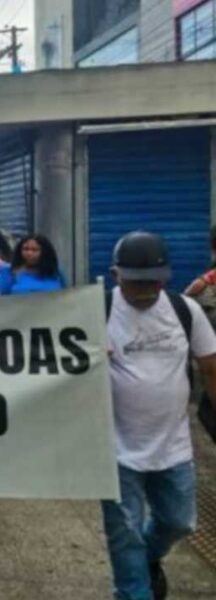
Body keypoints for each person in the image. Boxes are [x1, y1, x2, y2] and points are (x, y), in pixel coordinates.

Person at [102, 231, 216, 600]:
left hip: (173, 445)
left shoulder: (185, 310)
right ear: (116, 274)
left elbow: (210, 367)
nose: (146, 289)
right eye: (136, 282)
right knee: (125, 533)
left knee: (180, 522)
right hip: (115, 448)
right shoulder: (96, 312)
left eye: (154, 281)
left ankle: (147, 559)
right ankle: (135, 591)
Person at [0, 234, 66, 296]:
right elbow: (3, 297)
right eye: (26, 249)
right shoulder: (9, 272)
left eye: (35, 250)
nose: (29, 253)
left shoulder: (55, 273)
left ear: (45, 252)